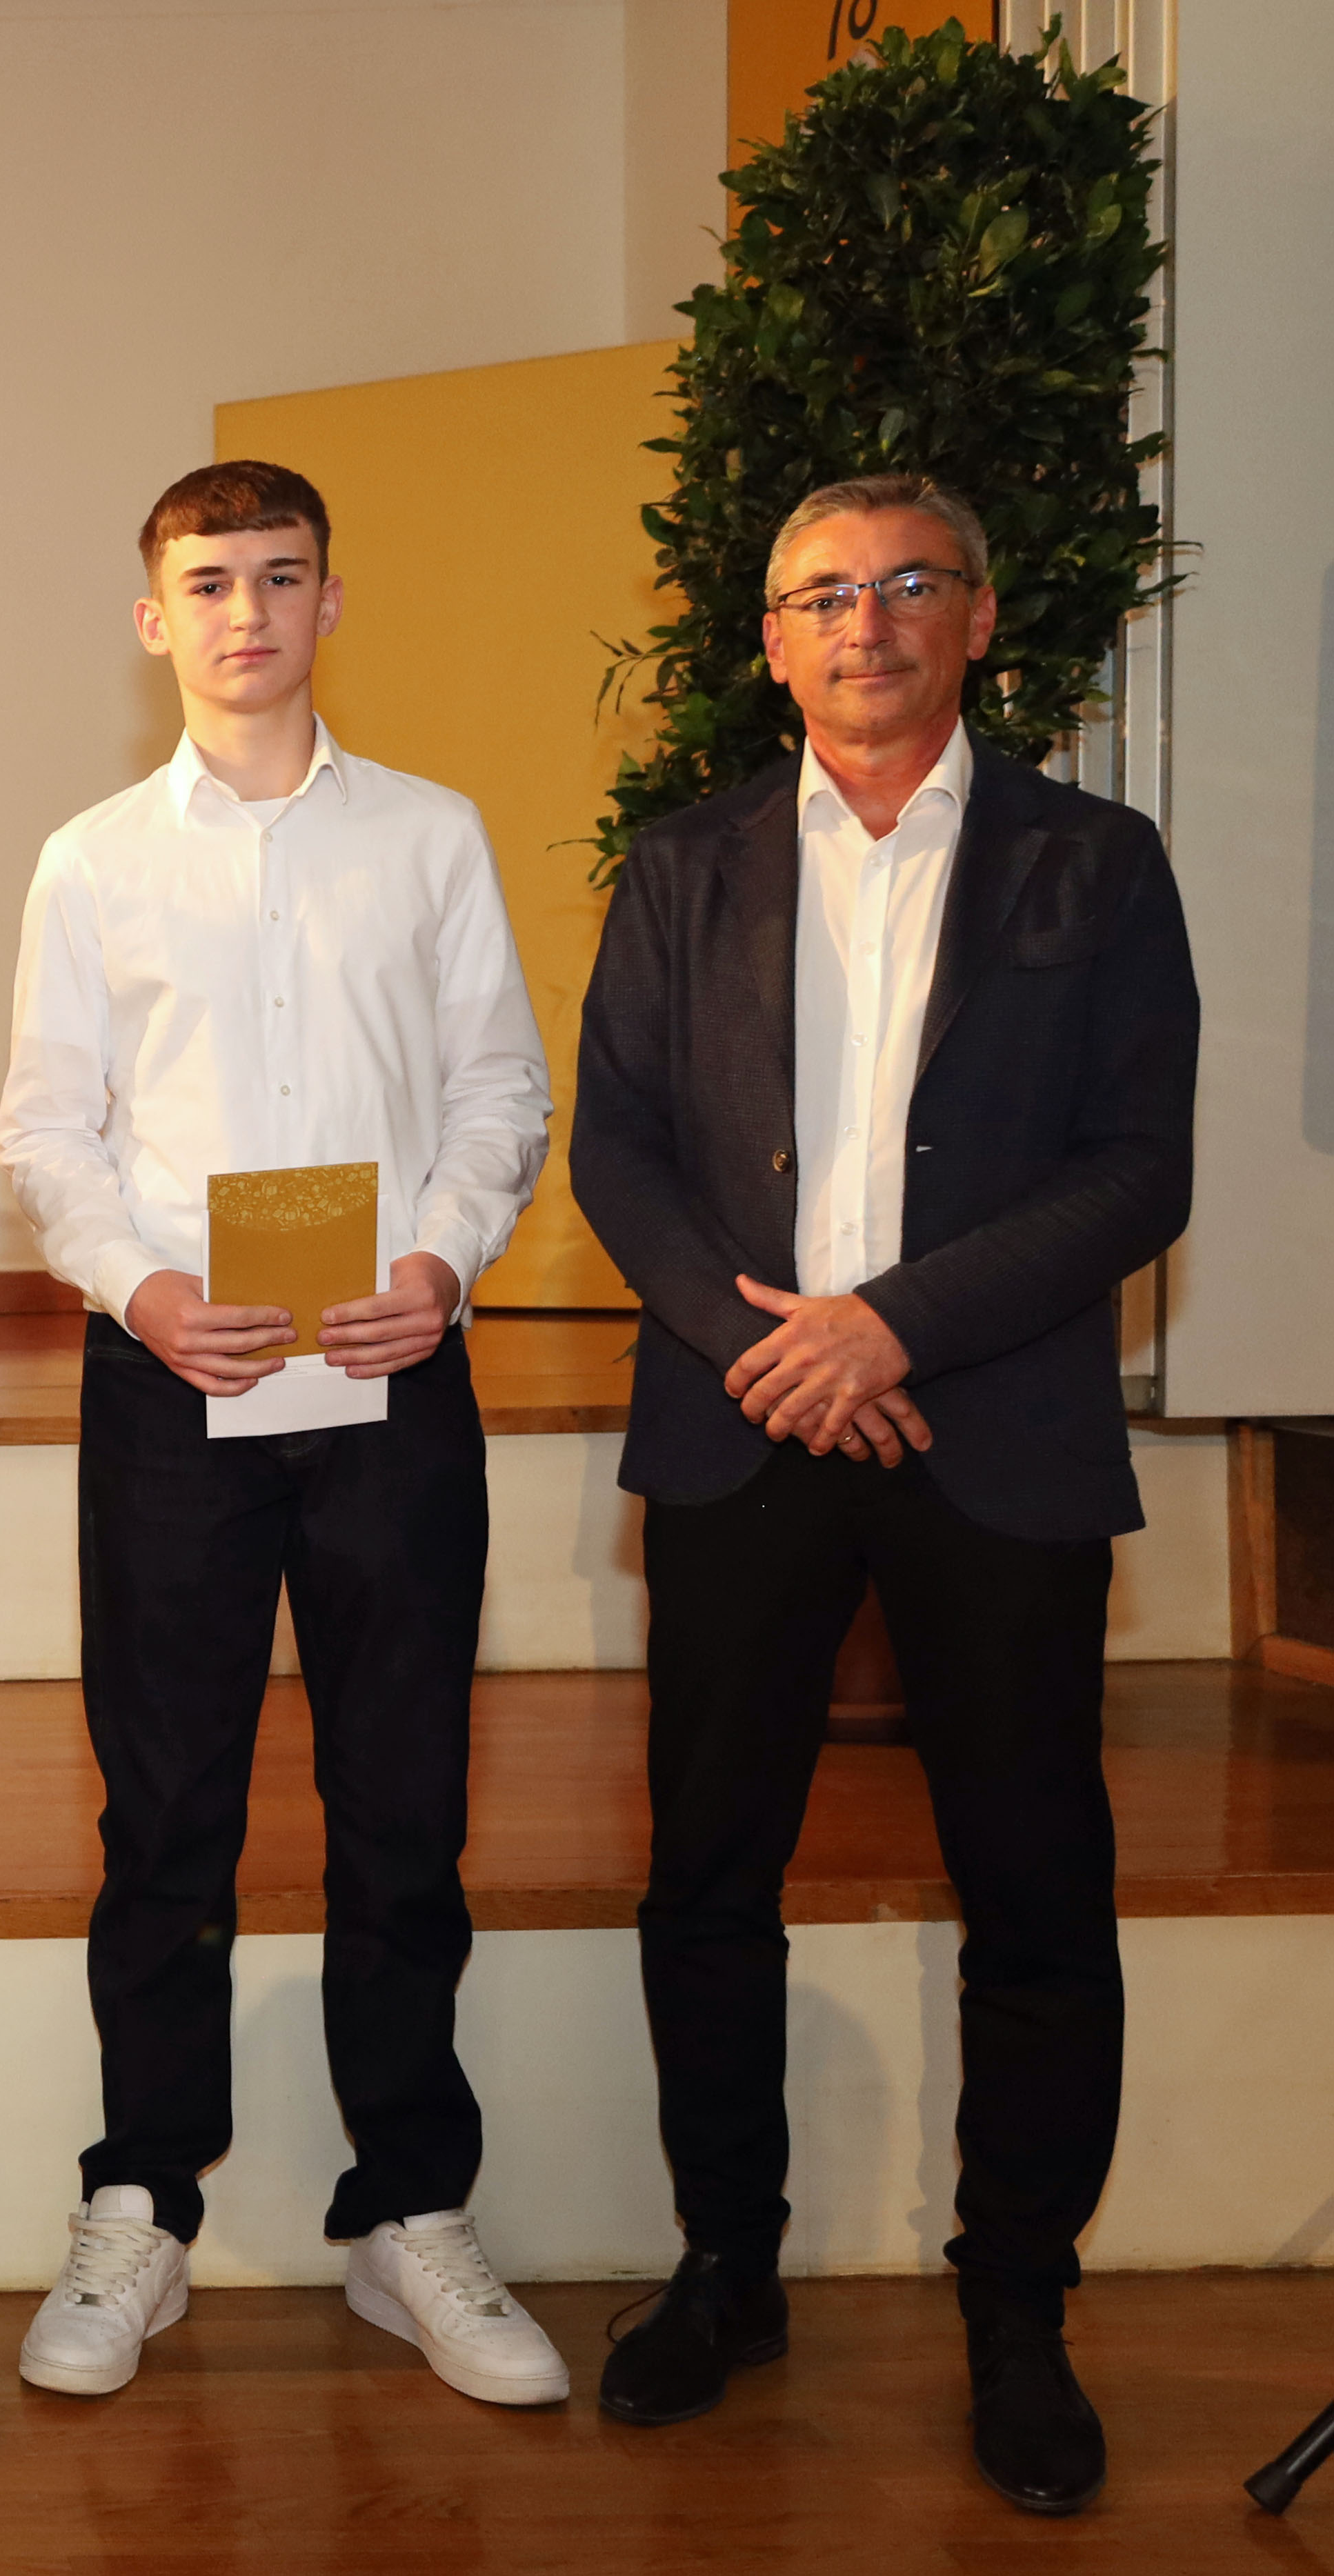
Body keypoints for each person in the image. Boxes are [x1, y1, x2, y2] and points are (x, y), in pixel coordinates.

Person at [570, 475, 1197, 2515]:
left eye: (909, 584)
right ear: (769, 641)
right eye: (822, 594)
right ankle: (727, 2269)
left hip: (985, 1431)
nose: (867, 622)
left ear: (980, 619)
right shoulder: (681, 868)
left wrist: (890, 1331)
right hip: (745, 1427)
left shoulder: (1095, 867)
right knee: (707, 1879)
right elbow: (622, 1153)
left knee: (1035, 1890)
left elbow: (1138, 1170)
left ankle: (1018, 2308)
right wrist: (780, 1347)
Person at [0, 462, 565, 2410]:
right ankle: (142, 2206)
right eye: (207, 581)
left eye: (282, 576)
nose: (247, 611)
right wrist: (140, 1289)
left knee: (403, 1810)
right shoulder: (89, 861)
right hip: (181, 1382)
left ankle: (410, 2216)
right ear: (153, 617)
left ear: (335, 601)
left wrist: (447, 1253)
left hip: (392, 1375)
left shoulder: (430, 838)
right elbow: (45, 1128)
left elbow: (501, 1083)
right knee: (165, 1820)